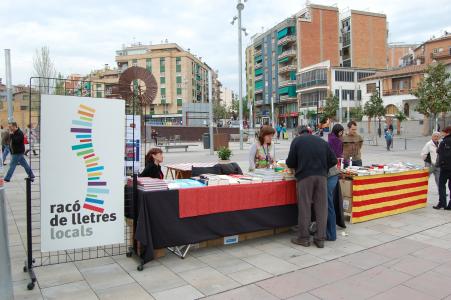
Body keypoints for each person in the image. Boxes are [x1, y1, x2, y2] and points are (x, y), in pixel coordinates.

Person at [286, 126, 337, 248]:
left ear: (298, 133)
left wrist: (299, 165)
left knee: (305, 206)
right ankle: (320, 239)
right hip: (322, 177)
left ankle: (304, 238)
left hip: (305, 177)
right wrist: (323, 168)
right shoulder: (321, 141)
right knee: (321, 207)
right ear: (310, 132)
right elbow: (333, 160)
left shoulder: (297, 141)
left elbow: (290, 162)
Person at [326, 124, 344, 241]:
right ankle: (331, 234)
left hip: (330, 173)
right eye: (341, 131)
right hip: (333, 171)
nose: (342, 133)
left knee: (328, 203)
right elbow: (335, 156)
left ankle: (331, 234)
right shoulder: (335, 141)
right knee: (329, 203)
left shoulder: (329, 139)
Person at [435, 127, 451, 210]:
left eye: (443, 132)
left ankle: (442, 203)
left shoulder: (443, 142)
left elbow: (439, 154)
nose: (442, 133)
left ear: (447, 132)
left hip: (445, 168)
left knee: (441, 185)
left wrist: (437, 165)